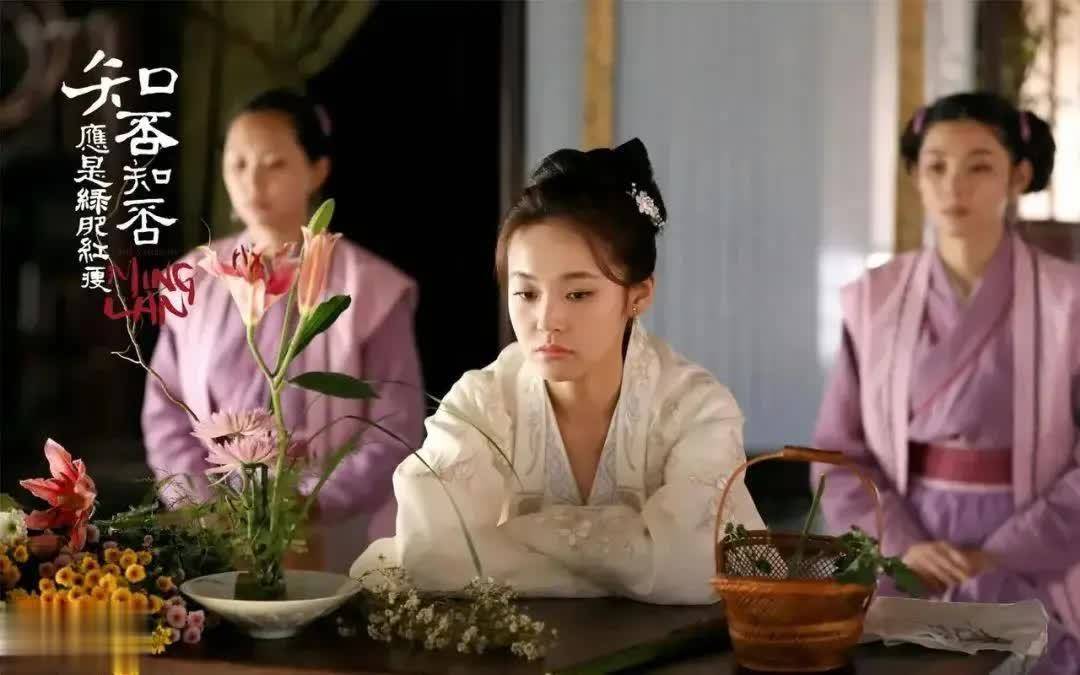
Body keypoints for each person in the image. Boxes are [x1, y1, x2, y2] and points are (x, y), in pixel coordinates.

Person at [350, 138, 763, 604]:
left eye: (578, 294)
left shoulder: (697, 408)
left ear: (639, 295)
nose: (547, 320)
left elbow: (695, 565)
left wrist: (516, 539)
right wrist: (630, 555)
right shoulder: (480, 402)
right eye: (527, 294)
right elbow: (434, 553)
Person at [812, 92, 1079, 673]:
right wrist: (902, 546)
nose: (954, 186)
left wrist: (999, 555)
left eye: (979, 166)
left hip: (1038, 545)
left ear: (1018, 176)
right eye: (936, 166)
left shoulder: (1069, 300)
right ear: (915, 176)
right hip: (909, 542)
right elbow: (838, 452)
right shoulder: (874, 300)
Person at [142, 89, 424, 572]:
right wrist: (205, 506)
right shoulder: (196, 278)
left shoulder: (369, 288)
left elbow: (394, 429)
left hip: (334, 535)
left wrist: (302, 505)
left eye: (274, 164)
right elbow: (166, 414)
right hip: (216, 534)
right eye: (238, 164)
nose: (253, 183)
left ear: (317, 170)